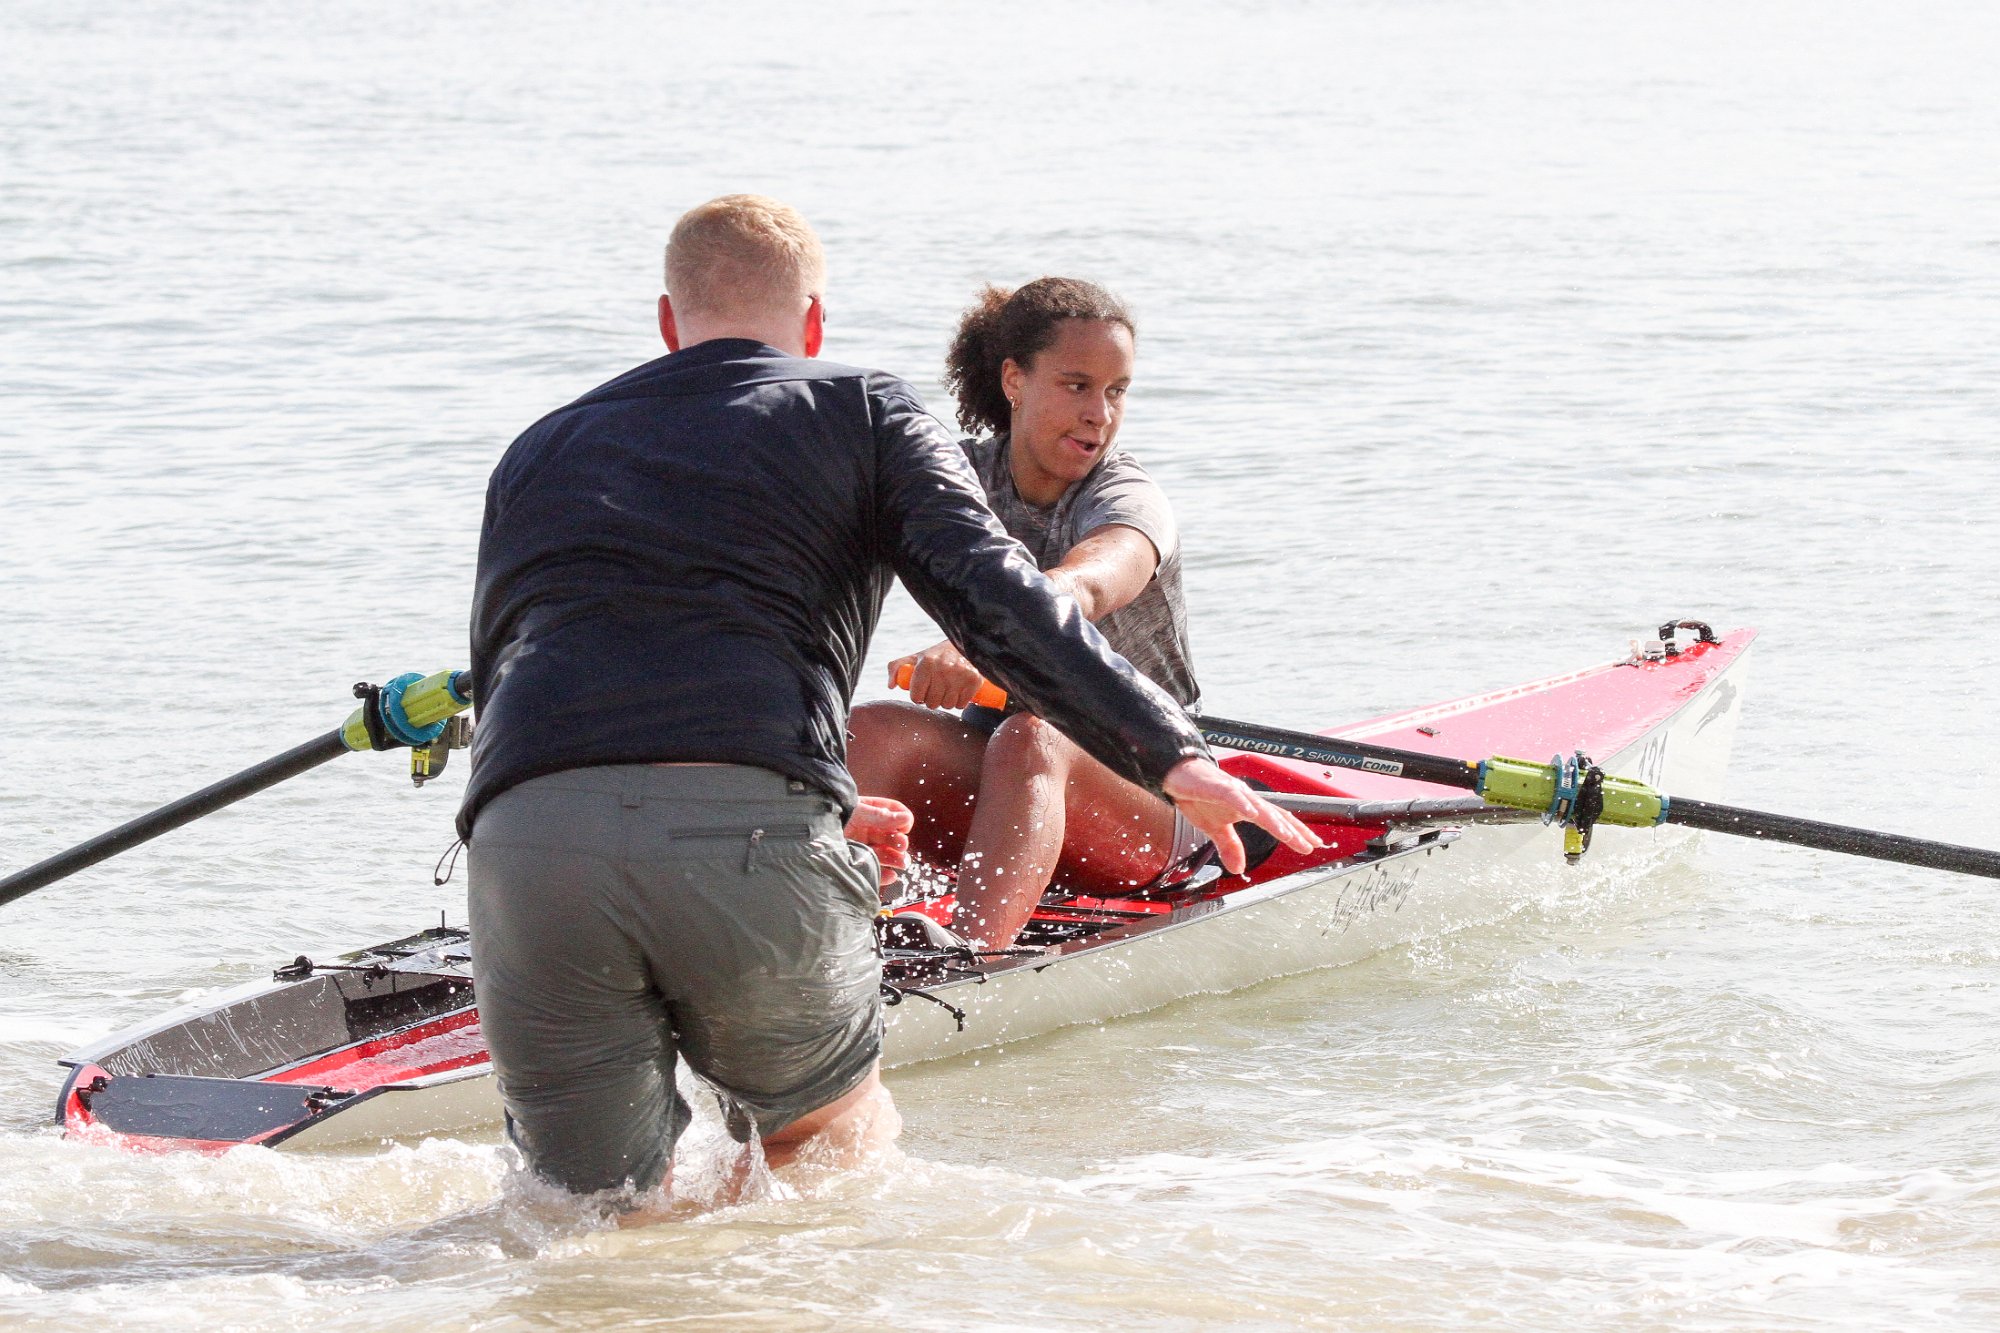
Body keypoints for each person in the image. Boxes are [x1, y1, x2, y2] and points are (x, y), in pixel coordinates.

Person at [460, 195, 1317, 1215]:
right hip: (744, 848)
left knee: (581, 1217)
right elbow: (1003, 605)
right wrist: (1173, 753)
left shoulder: (537, 447)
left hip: (523, 854)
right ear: (814, 324)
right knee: (828, 1173)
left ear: (665, 322)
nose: (1098, 408)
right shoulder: (863, 406)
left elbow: (508, 665)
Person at [848, 278, 1204, 949]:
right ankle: (858, 938)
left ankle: (974, 963)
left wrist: (983, 643)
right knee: (869, 731)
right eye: (1077, 385)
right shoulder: (951, 478)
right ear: (1014, 379)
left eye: (1117, 390)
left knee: (1033, 734)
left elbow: (1093, 584)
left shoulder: (1128, 496)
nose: (1100, 412)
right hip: (1006, 790)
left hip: (1154, 804)